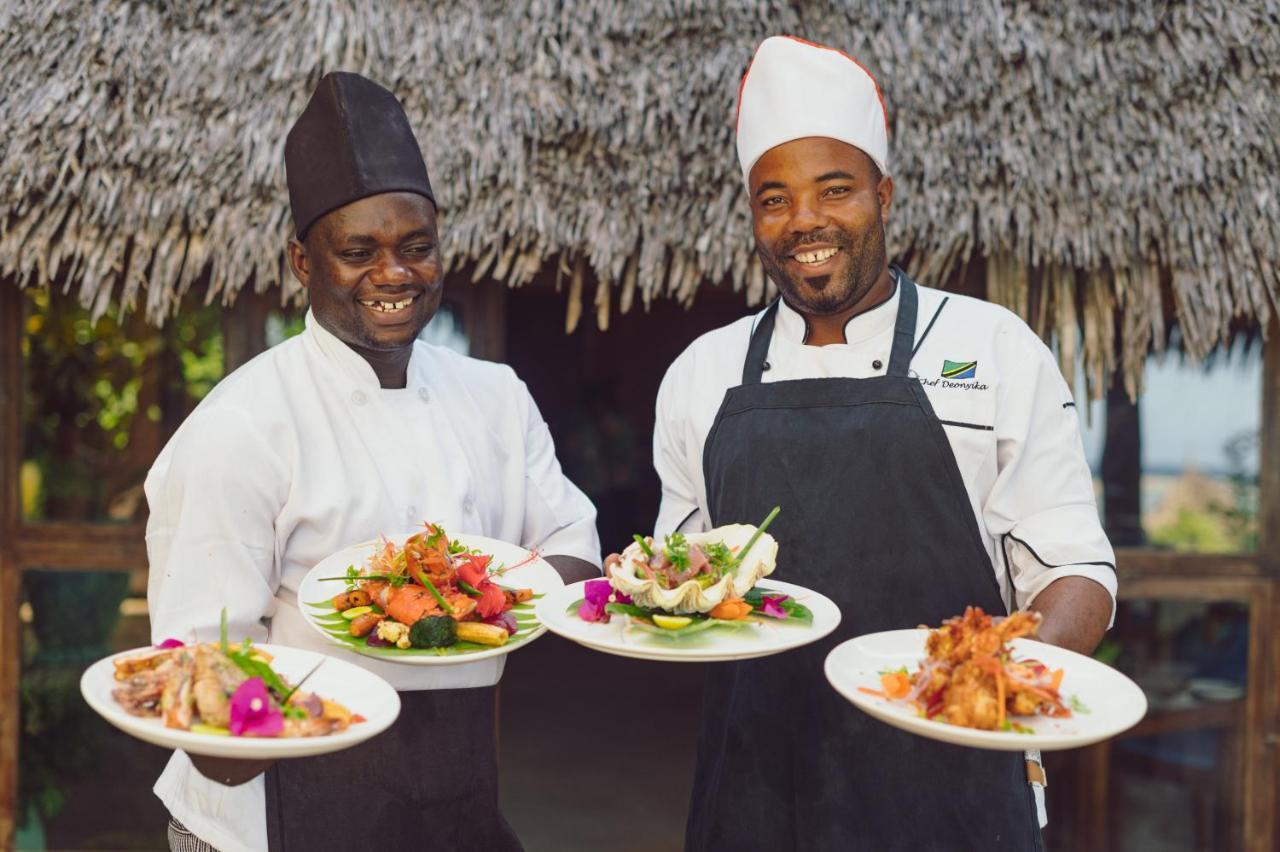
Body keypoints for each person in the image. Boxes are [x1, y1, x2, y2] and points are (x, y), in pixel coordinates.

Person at [650, 36, 1117, 850]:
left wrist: (990, 676)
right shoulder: (702, 372)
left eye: (836, 190)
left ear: (885, 193)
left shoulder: (995, 347)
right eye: (775, 198)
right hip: (758, 792)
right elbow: (680, 578)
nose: (806, 222)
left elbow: (1076, 572)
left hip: (954, 780)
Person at [145, 72, 600, 852]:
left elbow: (572, 549)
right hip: (272, 802)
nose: (395, 275)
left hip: (451, 793)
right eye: (358, 252)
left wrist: (468, 601)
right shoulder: (243, 423)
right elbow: (200, 654)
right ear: (301, 261)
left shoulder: (493, 394)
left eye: (416, 248)